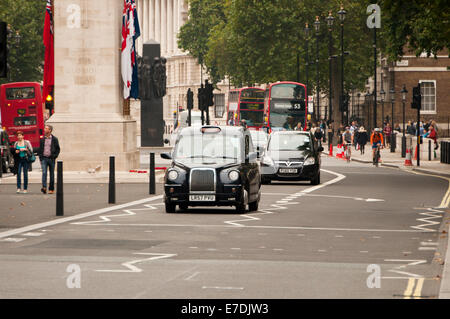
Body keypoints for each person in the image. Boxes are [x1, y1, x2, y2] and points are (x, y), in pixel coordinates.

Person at [38, 125, 61, 194]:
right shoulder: (42, 139)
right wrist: (41, 158)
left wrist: (54, 156)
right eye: (45, 128)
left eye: (46, 128)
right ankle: (44, 187)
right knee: (44, 173)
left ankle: (51, 189)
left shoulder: (54, 139)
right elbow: (40, 149)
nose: (44, 129)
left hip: (51, 159)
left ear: (50, 130)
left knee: (52, 174)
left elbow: (58, 149)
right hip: (44, 158)